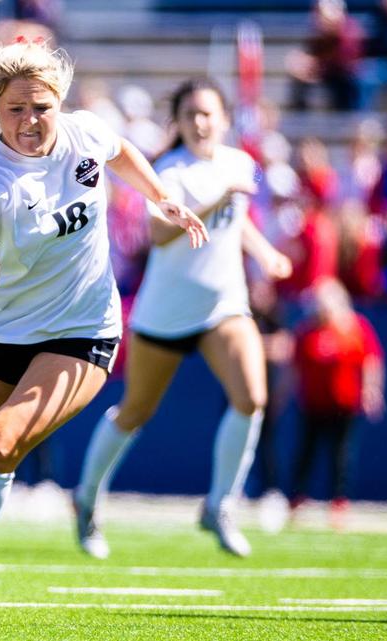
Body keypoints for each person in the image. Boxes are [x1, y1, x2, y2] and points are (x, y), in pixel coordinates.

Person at [0, 40, 207, 614]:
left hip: (84, 331)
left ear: (59, 102)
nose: (30, 121)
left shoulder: (85, 132)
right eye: (15, 109)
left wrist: (162, 197)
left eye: (41, 107)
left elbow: (120, 153)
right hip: (7, 333)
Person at [73, 77, 292, 561]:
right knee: (135, 413)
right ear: (178, 121)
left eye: (208, 113)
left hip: (223, 306)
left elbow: (235, 225)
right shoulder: (170, 171)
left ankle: (220, 505)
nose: (199, 122)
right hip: (165, 312)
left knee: (252, 397)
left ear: (225, 119)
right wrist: (215, 198)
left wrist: (267, 253)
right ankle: (87, 498)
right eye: (190, 113)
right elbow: (160, 233)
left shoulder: (239, 163)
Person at [289, 278, 384, 529]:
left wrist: (371, 391)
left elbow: (371, 361)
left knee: (341, 457)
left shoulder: (356, 328)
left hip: (345, 404)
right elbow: (294, 370)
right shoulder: (306, 330)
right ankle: (298, 500)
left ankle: (339, 504)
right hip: (312, 404)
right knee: (305, 454)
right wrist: (280, 396)